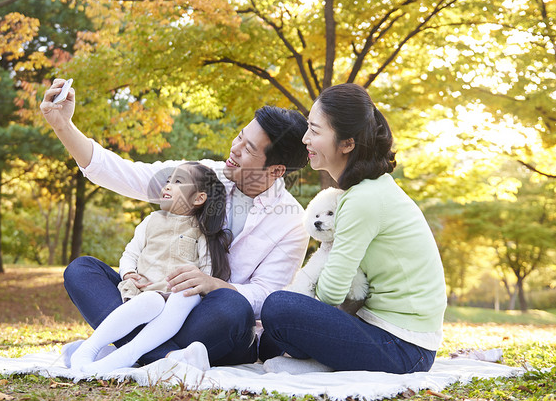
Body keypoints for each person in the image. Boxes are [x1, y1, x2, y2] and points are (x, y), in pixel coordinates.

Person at [40, 79, 309, 367]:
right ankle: (165, 357)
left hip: (208, 322)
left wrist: (212, 284)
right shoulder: (206, 174)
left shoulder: (293, 222)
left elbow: (266, 296)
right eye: (239, 136)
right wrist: (63, 126)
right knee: (82, 270)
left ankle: (121, 348)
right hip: (153, 303)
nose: (235, 148)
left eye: (249, 149)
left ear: (276, 170)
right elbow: (127, 174)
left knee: (233, 307)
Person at [260, 83, 446, 374]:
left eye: (315, 130)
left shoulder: (362, 199)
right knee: (283, 317)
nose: (305, 139)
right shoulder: (367, 191)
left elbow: (332, 293)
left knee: (279, 308)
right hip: (390, 334)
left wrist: (301, 297)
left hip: (404, 348)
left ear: (347, 144)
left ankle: (319, 364)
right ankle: (316, 360)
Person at [68, 162, 230, 373]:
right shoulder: (151, 221)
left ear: (199, 198)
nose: (168, 186)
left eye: (178, 182)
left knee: (187, 295)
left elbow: (205, 273)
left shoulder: (200, 231)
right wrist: (129, 273)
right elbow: (130, 254)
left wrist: (197, 284)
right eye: (168, 181)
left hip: (178, 299)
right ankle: (89, 348)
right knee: (151, 301)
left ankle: (127, 354)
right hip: (146, 292)